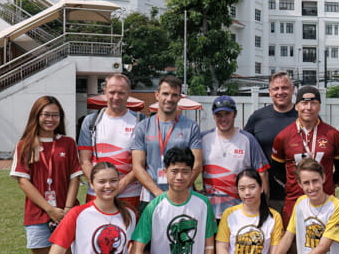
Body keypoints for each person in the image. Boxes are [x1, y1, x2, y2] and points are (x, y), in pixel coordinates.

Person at [270, 85, 339, 254]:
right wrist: (296, 189)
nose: (308, 106)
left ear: (319, 105)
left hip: (326, 205)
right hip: (296, 203)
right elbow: (278, 170)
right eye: (303, 102)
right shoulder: (283, 135)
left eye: (313, 102)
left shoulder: (332, 134)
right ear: (297, 105)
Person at [11, 95, 82, 254]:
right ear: (37, 116)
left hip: (66, 213)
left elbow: (75, 177)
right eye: (46, 114)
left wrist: (66, 208)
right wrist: (50, 209)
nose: (50, 119)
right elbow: (23, 181)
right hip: (38, 214)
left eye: (55, 115)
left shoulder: (68, 144)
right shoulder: (25, 145)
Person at [130, 75, 203, 213]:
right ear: (157, 95)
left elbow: (197, 165)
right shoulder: (143, 126)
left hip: (183, 197)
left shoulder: (191, 127)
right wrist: (159, 194)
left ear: (179, 98)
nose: (169, 99)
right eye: (165, 94)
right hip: (151, 197)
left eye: (174, 95)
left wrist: (177, 192)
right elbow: (137, 166)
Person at [77, 73, 143, 212]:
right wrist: (100, 186)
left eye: (121, 93)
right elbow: (85, 161)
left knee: (128, 233)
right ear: (105, 92)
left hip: (129, 194)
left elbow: (142, 162)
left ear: (129, 93)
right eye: (112, 92)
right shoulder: (91, 121)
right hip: (96, 195)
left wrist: (120, 185)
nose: (116, 97)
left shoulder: (140, 121)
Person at [201, 95, 270, 219]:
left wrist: (263, 206)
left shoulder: (247, 139)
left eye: (227, 114)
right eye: (219, 115)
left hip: (241, 212)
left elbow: (262, 173)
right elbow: (192, 168)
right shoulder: (204, 139)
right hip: (210, 213)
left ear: (235, 114)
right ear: (213, 116)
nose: (223, 119)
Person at [243, 71, 298, 213]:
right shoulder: (258, 117)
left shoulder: (303, 116)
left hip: (299, 194)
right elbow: (244, 148)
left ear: (292, 90)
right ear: (269, 92)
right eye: (276, 88)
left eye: (285, 88)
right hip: (265, 193)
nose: (280, 92)